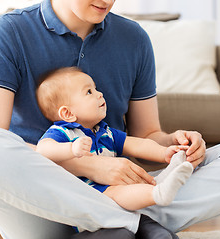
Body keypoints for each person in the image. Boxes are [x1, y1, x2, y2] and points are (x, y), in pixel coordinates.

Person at [0, 0, 220, 239]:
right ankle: (138, 224)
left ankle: (114, 225)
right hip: (39, 204)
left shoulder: (133, 39)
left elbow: (148, 134)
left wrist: (173, 144)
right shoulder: (9, 31)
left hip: (118, 190)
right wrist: (85, 165)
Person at [36, 67, 194, 213]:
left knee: (131, 186)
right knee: (118, 192)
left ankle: (159, 185)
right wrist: (71, 149)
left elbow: (137, 144)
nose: (100, 94)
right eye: (89, 92)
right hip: (89, 197)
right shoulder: (64, 133)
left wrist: (165, 152)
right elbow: (42, 150)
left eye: (96, 88)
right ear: (67, 113)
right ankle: (157, 193)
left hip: (115, 189)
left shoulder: (105, 131)